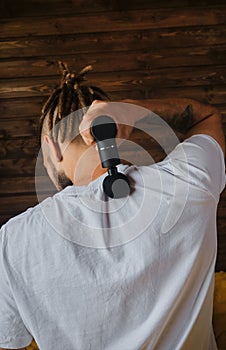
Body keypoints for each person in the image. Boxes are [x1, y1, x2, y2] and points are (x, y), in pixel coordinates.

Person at [0, 62, 225, 350]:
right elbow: (206, 117)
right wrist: (131, 109)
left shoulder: (12, 241)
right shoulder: (189, 183)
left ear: (50, 147)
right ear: (118, 134)